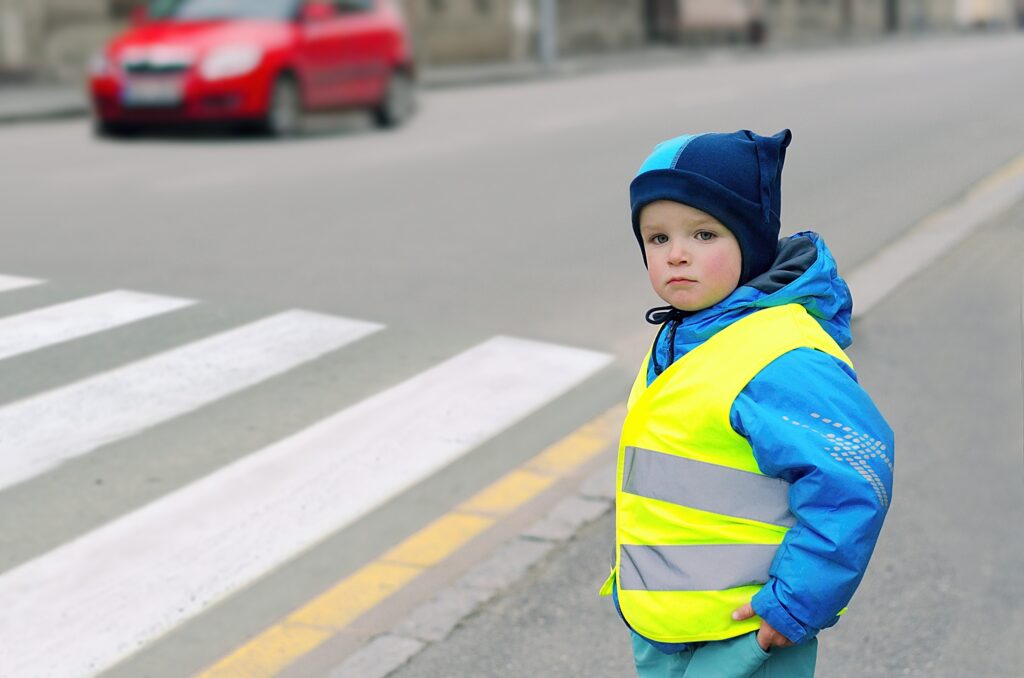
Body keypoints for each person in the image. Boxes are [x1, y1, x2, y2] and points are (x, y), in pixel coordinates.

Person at [599, 129, 894, 677]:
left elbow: (854, 479)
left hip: (746, 633)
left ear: (750, 242)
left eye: (704, 233)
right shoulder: (684, 334)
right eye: (657, 238)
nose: (677, 255)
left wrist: (797, 603)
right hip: (666, 628)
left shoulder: (780, 358)